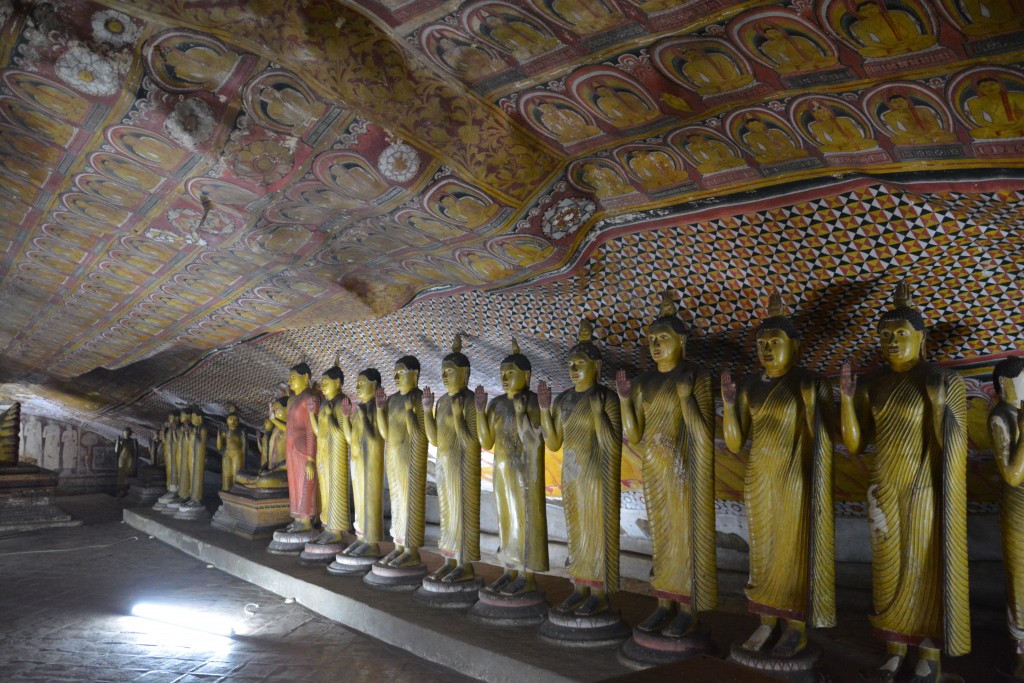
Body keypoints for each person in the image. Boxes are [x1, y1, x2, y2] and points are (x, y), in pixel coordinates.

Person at [840, 282, 970, 682]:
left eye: (901, 334)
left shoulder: (943, 380)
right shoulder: (873, 384)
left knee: (924, 566)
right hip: (882, 486)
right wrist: (846, 400)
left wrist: (936, 405)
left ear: (921, 338)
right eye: (885, 336)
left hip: (924, 488)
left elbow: (953, 446)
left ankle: (929, 656)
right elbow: (855, 444)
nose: (892, 342)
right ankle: (894, 650)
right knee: (887, 570)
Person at [721, 293, 835, 656]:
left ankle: (795, 627)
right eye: (762, 344)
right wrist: (727, 405)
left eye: (775, 342)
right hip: (758, 476)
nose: (767, 349)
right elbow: (736, 442)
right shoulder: (751, 387)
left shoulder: (808, 383)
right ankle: (766, 622)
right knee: (762, 552)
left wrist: (813, 405)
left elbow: (826, 440)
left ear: (795, 346)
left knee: (792, 550)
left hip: (793, 478)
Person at [616, 292, 716, 638]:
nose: (657, 344)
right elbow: (635, 433)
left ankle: (687, 607)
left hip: (684, 470)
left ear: (682, 341)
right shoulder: (644, 382)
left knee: (684, 535)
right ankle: (663, 602)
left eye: (664, 338)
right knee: (660, 535)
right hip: (655, 468)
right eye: (652, 340)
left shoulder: (695, 377)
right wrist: (626, 400)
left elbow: (704, 435)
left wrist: (687, 399)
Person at [538, 319, 621, 616]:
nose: (574, 369)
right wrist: (546, 410)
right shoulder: (564, 400)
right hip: (571, 474)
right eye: (571, 364)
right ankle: (579, 586)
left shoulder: (606, 397)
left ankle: (599, 592)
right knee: (576, 531)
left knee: (595, 530)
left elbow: (613, 445)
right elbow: (553, 443)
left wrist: (599, 415)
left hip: (596, 475)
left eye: (580, 363)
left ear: (596, 367)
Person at [476, 339, 549, 594]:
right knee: (505, 521)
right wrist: (479, 411)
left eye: (511, 373)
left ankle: (526, 575)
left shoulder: (530, 402)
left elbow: (537, 440)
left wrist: (521, 413)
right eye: (502, 374)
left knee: (523, 520)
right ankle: (508, 569)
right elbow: (486, 441)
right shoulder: (496, 404)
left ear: (526, 376)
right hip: (501, 471)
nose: (505, 378)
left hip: (524, 473)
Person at [423, 335, 481, 583]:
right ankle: (449, 560)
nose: (445, 376)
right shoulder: (443, 400)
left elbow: (473, 442)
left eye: (450, 371)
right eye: (443, 371)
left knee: (461, 513)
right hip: (445, 465)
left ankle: (464, 564)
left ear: (465, 372)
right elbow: (434, 439)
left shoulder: (469, 401)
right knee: (447, 514)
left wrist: (458, 418)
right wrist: (426, 410)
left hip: (464, 466)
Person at [375, 356, 428, 568]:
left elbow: (422, 434)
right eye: (395, 373)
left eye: (401, 372)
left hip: (411, 458)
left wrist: (410, 414)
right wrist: (380, 409)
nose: (396, 377)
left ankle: (411, 550)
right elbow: (385, 432)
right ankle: (398, 547)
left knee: (410, 502)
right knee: (397, 503)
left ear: (415, 374)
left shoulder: (418, 398)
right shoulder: (393, 399)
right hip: (394, 456)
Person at [989, 357, 1024, 679]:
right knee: (1021, 581)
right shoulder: (1001, 417)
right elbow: (1012, 474)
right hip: (1018, 509)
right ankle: (1021, 656)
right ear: (1005, 386)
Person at [339, 369, 385, 558]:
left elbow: (375, 440)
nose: (357, 387)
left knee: (370, 501)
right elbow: (351, 438)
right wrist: (346, 416)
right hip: (357, 462)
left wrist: (365, 415)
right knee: (359, 502)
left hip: (370, 463)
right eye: (357, 383)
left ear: (374, 386)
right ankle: (360, 537)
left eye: (362, 383)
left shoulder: (375, 409)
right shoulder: (361, 409)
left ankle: (371, 542)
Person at [274, 363, 320, 533]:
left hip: (303, 450)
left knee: (304, 484)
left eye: (293, 378)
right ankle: (298, 518)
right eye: (290, 378)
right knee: (294, 486)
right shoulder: (294, 400)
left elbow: (311, 430)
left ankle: (306, 521)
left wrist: (310, 459)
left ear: (306, 378)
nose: (290, 381)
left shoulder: (310, 398)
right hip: (292, 449)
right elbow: (291, 427)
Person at [309, 361, 349, 544]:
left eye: (326, 382)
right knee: (324, 489)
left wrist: (332, 417)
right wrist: (312, 414)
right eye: (322, 382)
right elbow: (319, 432)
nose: (323, 386)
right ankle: (326, 525)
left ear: (338, 383)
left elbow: (343, 433)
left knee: (335, 489)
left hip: (336, 454)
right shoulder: (325, 405)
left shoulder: (342, 402)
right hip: (323, 452)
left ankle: (336, 529)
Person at [848, 1, 936, 58]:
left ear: (879, 7)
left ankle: (901, 49)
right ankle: (903, 50)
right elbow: (869, 42)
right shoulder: (860, 26)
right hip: (886, 47)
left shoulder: (897, 14)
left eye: (871, 7)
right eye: (864, 10)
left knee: (929, 39)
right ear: (860, 13)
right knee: (864, 52)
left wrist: (907, 42)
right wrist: (888, 47)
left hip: (910, 41)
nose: (869, 11)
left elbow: (913, 30)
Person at [235, 398, 289, 489]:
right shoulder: (275, 430)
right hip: (269, 471)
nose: (272, 413)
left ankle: (256, 483)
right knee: (238, 475)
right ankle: (257, 481)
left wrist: (271, 471)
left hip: (282, 473)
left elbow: (291, 462)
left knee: (266, 480)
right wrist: (264, 468)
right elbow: (270, 457)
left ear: (288, 410)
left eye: (276, 410)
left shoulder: (292, 431)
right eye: (272, 410)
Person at [756, 23, 836, 74]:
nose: (775, 34)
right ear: (766, 35)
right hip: (793, 64)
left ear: (781, 31)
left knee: (832, 60)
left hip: (812, 60)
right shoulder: (767, 46)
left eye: (776, 32)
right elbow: (779, 60)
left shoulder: (796, 39)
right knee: (783, 70)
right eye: (770, 33)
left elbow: (814, 51)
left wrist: (814, 57)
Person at [880, 95, 956, 145]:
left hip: (931, 135)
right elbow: (897, 130)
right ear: (890, 105)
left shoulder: (923, 109)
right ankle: (924, 141)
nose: (898, 104)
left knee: (951, 136)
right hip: (912, 137)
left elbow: (935, 126)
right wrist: (913, 137)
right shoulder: (889, 115)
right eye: (894, 102)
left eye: (900, 100)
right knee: (895, 140)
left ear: (906, 101)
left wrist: (929, 135)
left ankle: (931, 140)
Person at [806, 102, 876, 153]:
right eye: (819, 113)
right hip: (835, 148)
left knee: (871, 143)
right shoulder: (814, 126)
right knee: (822, 149)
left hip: (853, 144)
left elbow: (858, 136)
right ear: (815, 115)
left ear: (829, 111)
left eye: (824, 111)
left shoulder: (844, 120)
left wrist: (849, 140)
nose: (823, 114)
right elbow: (823, 141)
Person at [742, 118, 807, 163]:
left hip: (787, 152)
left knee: (802, 152)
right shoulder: (750, 137)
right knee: (759, 158)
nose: (755, 127)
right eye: (752, 126)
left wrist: (786, 152)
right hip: (770, 155)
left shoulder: (776, 132)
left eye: (756, 124)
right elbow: (758, 150)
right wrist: (773, 154)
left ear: (762, 124)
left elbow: (788, 143)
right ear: (749, 128)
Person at [535, 102, 601, 144]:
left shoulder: (564, 111)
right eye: (543, 108)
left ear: (550, 105)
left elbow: (577, 117)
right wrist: (559, 124)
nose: (547, 109)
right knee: (561, 140)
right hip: (567, 133)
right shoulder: (545, 118)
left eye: (547, 106)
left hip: (579, 127)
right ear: (541, 110)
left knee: (594, 130)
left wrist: (577, 124)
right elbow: (551, 127)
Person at [216, 407, 247, 491]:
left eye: (235, 420)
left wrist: (243, 460)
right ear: (226, 420)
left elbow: (244, 447)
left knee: (236, 473)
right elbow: (218, 447)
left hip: (237, 453)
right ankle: (226, 489)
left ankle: (235, 491)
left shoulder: (241, 432)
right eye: (230, 419)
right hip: (227, 453)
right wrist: (218, 435)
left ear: (238, 421)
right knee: (226, 473)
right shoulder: (225, 432)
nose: (233, 422)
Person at [115, 427, 138, 497]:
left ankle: (127, 489)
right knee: (121, 473)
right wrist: (117, 441)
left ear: (130, 434)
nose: (126, 434)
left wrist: (135, 460)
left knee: (128, 473)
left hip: (130, 458)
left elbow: (136, 452)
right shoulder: (121, 441)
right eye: (124, 433)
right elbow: (116, 450)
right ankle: (121, 490)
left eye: (127, 433)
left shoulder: (133, 441)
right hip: (122, 458)